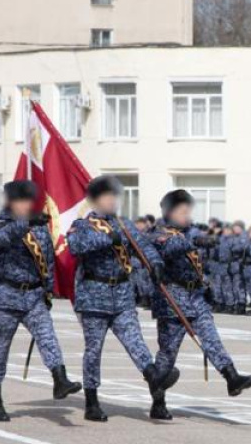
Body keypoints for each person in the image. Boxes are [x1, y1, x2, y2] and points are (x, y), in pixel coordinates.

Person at [67, 176, 177, 422]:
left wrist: (156, 263)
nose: (112, 201)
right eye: (107, 197)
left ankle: (156, 387)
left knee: (136, 342)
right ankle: (91, 402)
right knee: (93, 352)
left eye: (115, 197)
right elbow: (75, 247)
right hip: (94, 296)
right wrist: (109, 238)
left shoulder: (124, 224)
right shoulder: (83, 225)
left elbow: (144, 246)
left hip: (123, 295)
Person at [148, 189, 251, 421]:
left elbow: (209, 244)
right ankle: (158, 402)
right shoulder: (157, 233)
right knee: (168, 354)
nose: (187, 216)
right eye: (182, 211)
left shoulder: (189, 232)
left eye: (188, 211)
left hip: (195, 297)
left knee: (211, 338)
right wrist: (193, 241)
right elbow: (168, 249)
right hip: (172, 300)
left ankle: (231, 377)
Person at [0, 180, 81, 422]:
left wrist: (47, 292)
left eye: (29, 200)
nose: (27, 204)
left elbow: (47, 262)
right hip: (6, 297)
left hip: (34, 296)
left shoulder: (38, 228)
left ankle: (60, 379)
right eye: (22, 200)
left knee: (48, 336)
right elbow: (0, 241)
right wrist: (25, 224)